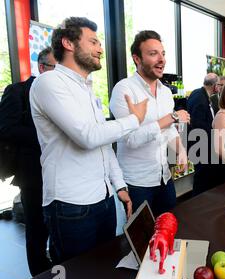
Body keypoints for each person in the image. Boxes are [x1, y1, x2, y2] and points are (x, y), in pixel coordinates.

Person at [30, 17, 147, 264]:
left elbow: (103, 144)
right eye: (93, 41)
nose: (100, 48)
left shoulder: (87, 88)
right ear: (68, 43)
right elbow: (87, 137)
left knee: (103, 272)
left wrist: (120, 186)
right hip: (70, 205)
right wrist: (134, 120)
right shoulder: (48, 82)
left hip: (102, 199)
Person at [110, 30, 190, 216]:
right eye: (153, 54)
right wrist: (171, 117)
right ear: (137, 59)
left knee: (167, 232)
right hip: (137, 183)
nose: (161, 59)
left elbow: (169, 131)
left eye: (162, 53)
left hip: (164, 177)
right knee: (140, 242)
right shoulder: (124, 89)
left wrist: (181, 151)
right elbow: (130, 139)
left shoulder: (165, 92)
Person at [0, 47, 56, 276]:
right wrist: (46, 137)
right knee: (36, 229)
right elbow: (6, 128)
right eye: (56, 68)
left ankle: (58, 274)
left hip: (60, 172)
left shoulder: (62, 95)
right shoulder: (17, 91)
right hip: (33, 173)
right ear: (42, 67)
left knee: (57, 226)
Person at [187, 73, 220, 196]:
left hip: (201, 143)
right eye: (220, 85)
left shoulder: (198, 93)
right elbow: (198, 124)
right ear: (216, 86)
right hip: (200, 144)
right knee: (201, 178)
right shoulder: (200, 99)